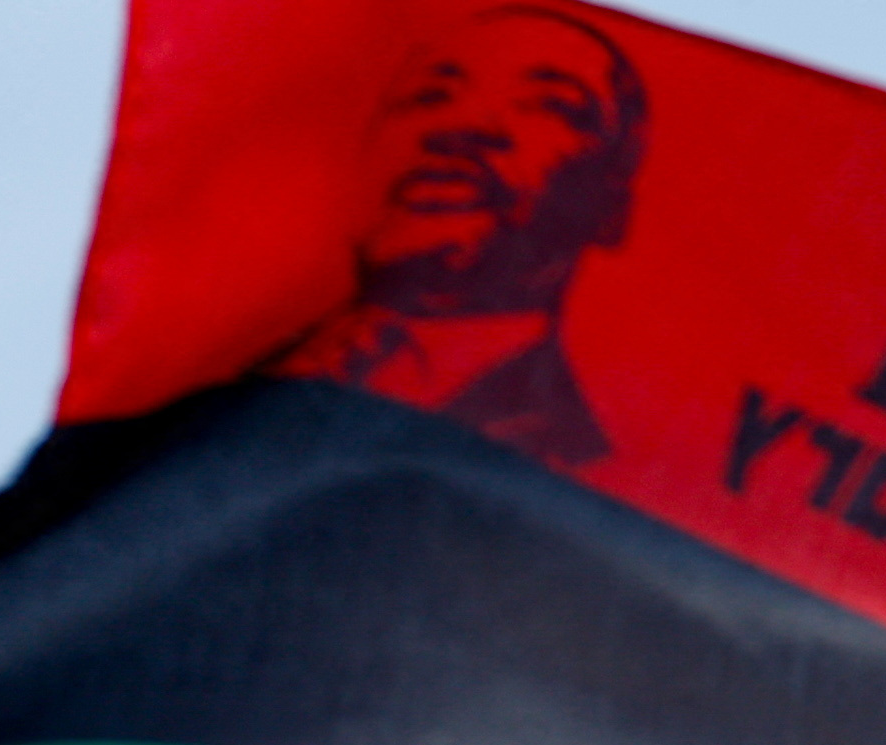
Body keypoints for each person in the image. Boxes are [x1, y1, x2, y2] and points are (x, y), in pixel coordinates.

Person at [274, 5, 648, 470]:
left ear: (611, 210)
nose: (462, 127)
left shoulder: (571, 461)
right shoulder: (244, 353)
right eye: (430, 96)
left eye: (549, 104)